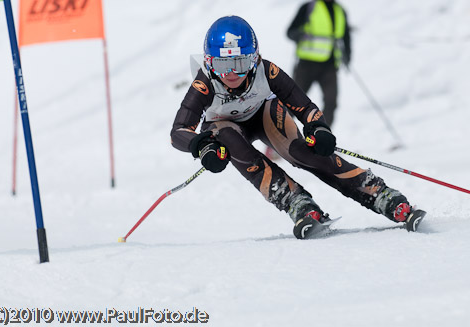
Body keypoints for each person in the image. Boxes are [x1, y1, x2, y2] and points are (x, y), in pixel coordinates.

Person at [170, 15, 423, 239]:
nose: (231, 74)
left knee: (301, 151)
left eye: (239, 63)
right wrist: (201, 146)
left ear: (254, 59)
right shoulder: (204, 83)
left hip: (262, 114)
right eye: (223, 65)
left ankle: (378, 193)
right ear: (209, 62)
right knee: (234, 144)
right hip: (222, 125)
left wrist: (318, 128)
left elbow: (302, 104)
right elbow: (179, 131)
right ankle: (296, 202)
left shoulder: (265, 71)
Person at [286, 0, 351, 127]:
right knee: (294, 104)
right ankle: (276, 142)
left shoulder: (340, 11)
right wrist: (299, 34)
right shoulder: (308, 7)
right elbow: (290, 32)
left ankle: (322, 140)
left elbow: (346, 37)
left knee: (331, 103)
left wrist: (347, 56)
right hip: (306, 65)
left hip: (329, 66)